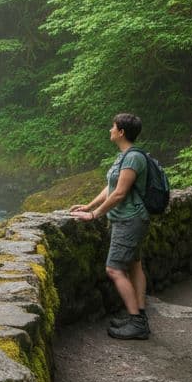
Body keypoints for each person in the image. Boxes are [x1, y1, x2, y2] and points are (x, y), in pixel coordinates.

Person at [70, 113, 151, 340]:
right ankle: (139, 316)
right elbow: (111, 187)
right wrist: (89, 205)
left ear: (121, 132)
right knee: (134, 265)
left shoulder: (133, 158)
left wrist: (94, 214)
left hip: (129, 219)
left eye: (113, 127)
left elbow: (119, 194)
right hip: (129, 218)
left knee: (114, 269)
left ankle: (137, 323)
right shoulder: (124, 156)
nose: (110, 130)